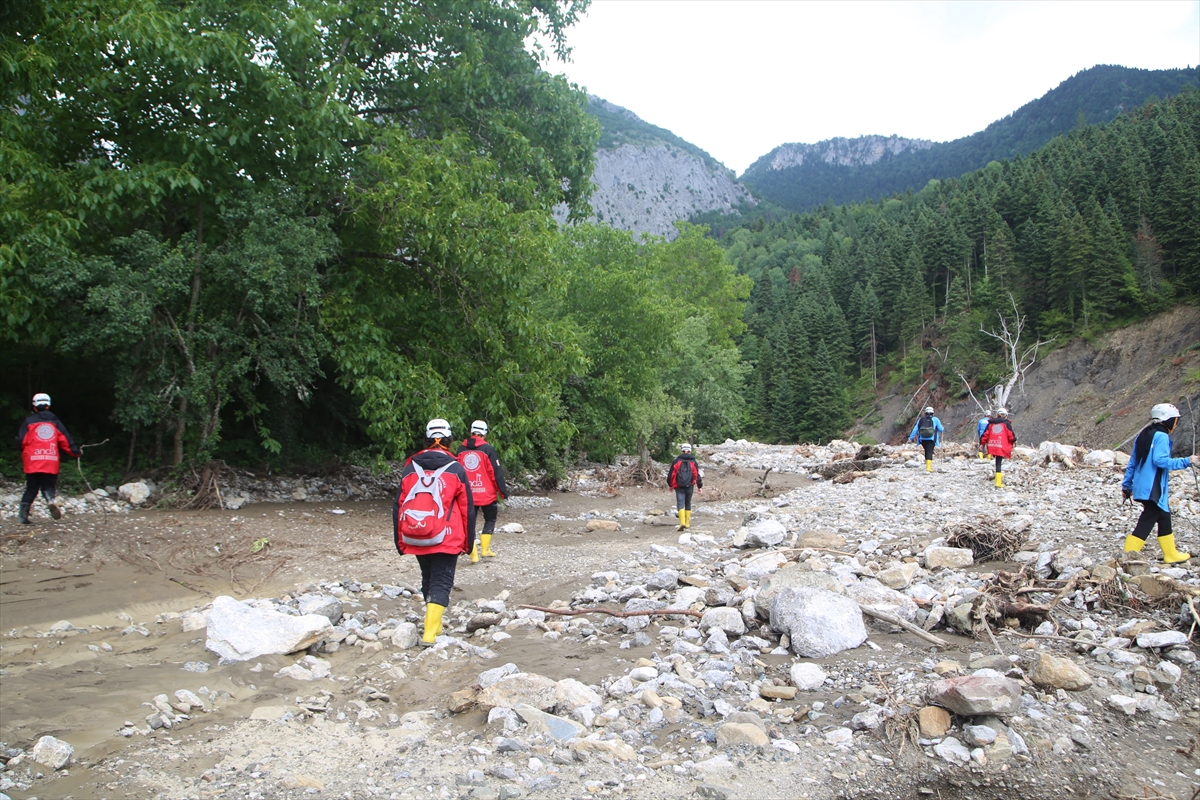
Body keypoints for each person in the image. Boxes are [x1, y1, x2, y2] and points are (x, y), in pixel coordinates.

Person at [393, 419, 474, 646]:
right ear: (449, 440)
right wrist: (468, 543)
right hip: (447, 536)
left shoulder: (410, 467)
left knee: (427, 577)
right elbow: (467, 508)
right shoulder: (456, 468)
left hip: (416, 534)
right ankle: (429, 634)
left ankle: (435, 625)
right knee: (441, 580)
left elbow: (398, 505)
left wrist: (399, 541)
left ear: (426, 440)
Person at [1121, 403, 1200, 563]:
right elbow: (1161, 461)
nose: (1176, 424)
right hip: (1153, 488)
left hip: (1142, 486)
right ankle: (1128, 555)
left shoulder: (1144, 434)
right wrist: (1187, 461)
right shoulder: (1162, 436)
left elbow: (1133, 462)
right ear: (1169, 420)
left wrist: (1127, 485)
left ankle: (1170, 554)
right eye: (1175, 420)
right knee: (1148, 518)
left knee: (1164, 517)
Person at [15, 393, 80, 524]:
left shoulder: (28, 422)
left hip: (32, 460)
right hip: (50, 460)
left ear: (34, 407)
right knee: (48, 485)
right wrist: (75, 452)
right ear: (48, 405)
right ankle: (50, 498)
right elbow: (65, 441)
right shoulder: (55, 422)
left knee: (31, 488)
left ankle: (23, 516)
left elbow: (20, 441)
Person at [457, 420, 508, 563]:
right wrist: (502, 492)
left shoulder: (461, 450)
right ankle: (485, 550)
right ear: (485, 434)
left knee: (469, 522)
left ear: (471, 432)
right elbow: (495, 472)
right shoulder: (488, 449)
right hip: (486, 493)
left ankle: (473, 554)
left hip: (467, 494)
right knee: (490, 519)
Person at [667, 442, 703, 530]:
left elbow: (671, 474)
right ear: (690, 451)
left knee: (680, 503)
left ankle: (681, 523)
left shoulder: (676, 461)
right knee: (688, 502)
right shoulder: (693, 461)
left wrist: (670, 484)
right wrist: (699, 486)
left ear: (682, 450)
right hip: (690, 485)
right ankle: (687, 523)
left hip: (678, 485)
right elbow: (696, 475)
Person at [981, 408, 1016, 488]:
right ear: (1005, 415)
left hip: (992, 445)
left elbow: (985, 434)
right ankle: (998, 482)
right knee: (999, 462)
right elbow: (1011, 436)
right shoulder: (1006, 424)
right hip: (1001, 445)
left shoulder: (991, 423)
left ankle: (998, 480)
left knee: (997, 461)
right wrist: (1014, 440)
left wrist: (982, 444)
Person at [908, 406, 944, 473]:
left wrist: (910, 438)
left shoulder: (921, 420)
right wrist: (942, 428)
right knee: (929, 451)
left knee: (926, 451)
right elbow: (940, 429)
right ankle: (928, 468)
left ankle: (928, 466)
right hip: (931, 439)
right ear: (932, 413)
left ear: (925, 413)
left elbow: (915, 429)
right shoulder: (935, 419)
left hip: (922, 439)